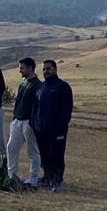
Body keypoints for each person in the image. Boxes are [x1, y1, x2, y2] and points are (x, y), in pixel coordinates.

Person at [34, 58, 74, 191]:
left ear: (55, 70)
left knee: (56, 155)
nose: (46, 71)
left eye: (49, 68)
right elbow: (36, 107)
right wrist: (35, 124)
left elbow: (66, 110)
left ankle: (56, 179)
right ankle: (47, 177)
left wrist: (61, 129)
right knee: (44, 155)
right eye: (44, 69)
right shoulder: (41, 87)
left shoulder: (63, 87)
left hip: (56, 130)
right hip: (41, 129)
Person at [6, 57, 42, 190]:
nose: (20, 70)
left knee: (33, 151)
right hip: (18, 121)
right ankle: (12, 175)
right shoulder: (23, 83)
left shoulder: (37, 85)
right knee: (11, 148)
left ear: (30, 68)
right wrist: (14, 118)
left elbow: (37, 107)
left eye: (22, 68)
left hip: (29, 122)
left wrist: (33, 122)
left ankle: (33, 178)